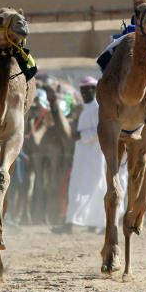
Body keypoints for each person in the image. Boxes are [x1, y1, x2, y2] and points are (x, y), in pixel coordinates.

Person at [59, 76, 105, 233]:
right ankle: (74, 222)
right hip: (81, 157)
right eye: (82, 90)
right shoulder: (82, 108)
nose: (85, 93)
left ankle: (74, 223)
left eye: (88, 90)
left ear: (95, 90)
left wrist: (81, 135)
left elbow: (101, 130)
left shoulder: (98, 108)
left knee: (91, 190)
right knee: (77, 189)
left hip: (94, 157)